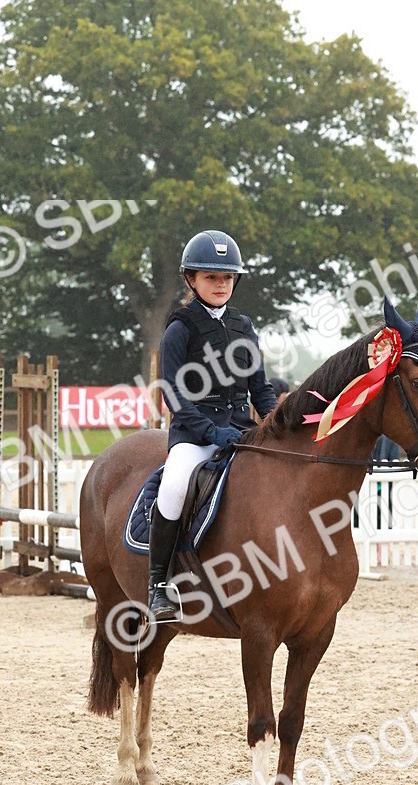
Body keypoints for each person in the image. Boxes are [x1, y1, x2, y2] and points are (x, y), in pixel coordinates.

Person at [148, 229, 279, 620]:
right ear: (192, 279)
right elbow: (173, 394)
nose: (220, 285)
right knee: (172, 487)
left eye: (226, 278)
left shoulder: (243, 326)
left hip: (241, 430)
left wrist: (274, 422)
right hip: (194, 434)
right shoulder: (180, 329)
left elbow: (260, 387)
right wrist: (209, 431)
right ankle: (158, 585)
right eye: (211, 277)